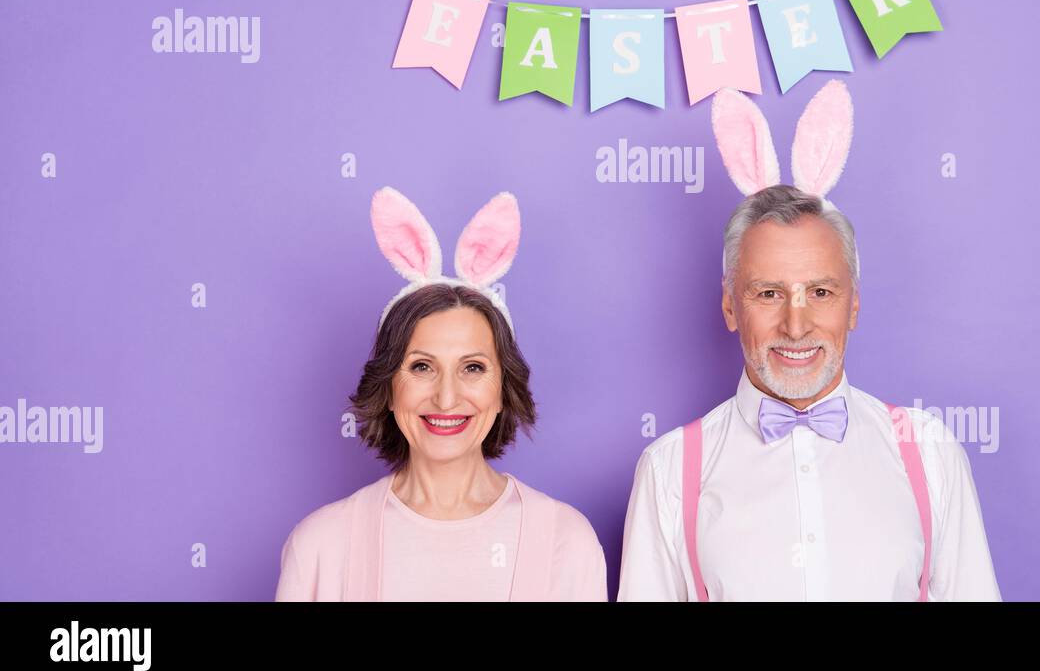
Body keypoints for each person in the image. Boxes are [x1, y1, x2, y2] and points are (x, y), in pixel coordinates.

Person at [617, 80, 1001, 601]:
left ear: (855, 305)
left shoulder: (930, 451)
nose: (795, 325)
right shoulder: (667, 471)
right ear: (730, 305)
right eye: (768, 293)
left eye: (820, 291)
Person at [275, 186, 607, 601]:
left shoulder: (567, 540)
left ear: (503, 390)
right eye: (421, 367)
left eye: (472, 368)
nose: (447, 398)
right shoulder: (321, 545)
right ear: (389, 389)